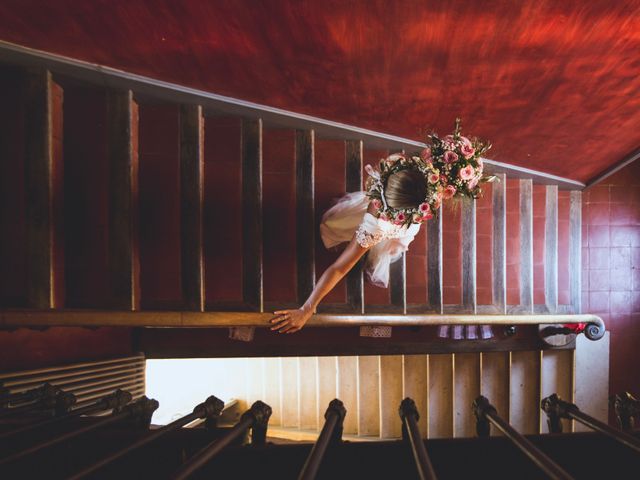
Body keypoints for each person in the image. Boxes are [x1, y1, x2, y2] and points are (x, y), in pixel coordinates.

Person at [270, 121, 491, 336]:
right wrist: (307, 308)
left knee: (387, 243)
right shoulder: (375, 227)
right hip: (381, 225)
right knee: (343, 229)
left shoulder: (400, 162)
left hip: (392, 222)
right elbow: (339, 268)